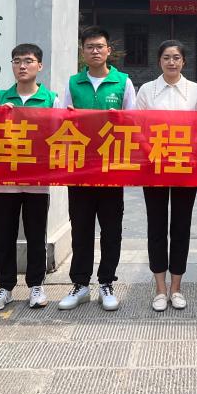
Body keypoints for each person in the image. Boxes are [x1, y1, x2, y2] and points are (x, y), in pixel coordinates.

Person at [58, 26, 137, 312]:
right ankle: (80, 285)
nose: (95, 51)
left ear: (108, 50)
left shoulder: (123, 82)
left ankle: (106, 283)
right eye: (89, 46)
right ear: (83, 52)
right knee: (81, 228)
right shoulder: (73, 83)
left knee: (111, 229)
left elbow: (135, 122)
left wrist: (121, 120)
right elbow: (60, 120)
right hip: (80, 167)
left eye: (99, 46)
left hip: (111, 168)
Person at [0, 43, 60, 312]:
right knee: (4, 237)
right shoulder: (0, 99)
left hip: (37, 181)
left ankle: (36, 285)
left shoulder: (51, 99)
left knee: (35, 236)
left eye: (28, 61)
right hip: (4, 181)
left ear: (39, 65)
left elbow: (59, 135)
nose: (22, 66)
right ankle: (4, 287)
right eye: (17, 61)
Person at [135, 39, 197, 311]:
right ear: (159, 61)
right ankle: (160, 288)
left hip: (185, 167)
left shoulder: (195, 91)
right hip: (154, 167)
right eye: (166, 57)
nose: (171, 62)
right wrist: (154, 152)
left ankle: (176, 287)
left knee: (181, 226)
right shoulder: (147, 90)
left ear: (184, 61)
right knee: (156, 226)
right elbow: (138, 128)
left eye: (176, 57)